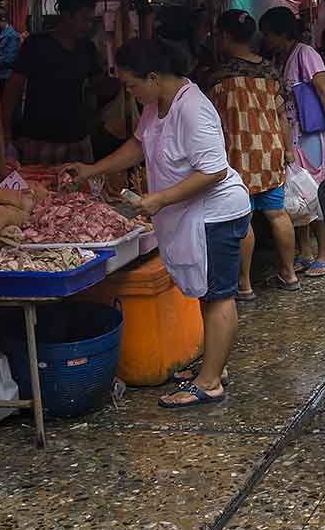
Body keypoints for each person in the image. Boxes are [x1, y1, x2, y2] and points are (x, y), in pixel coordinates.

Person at [66, 38, 253, 409]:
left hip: (215, 213)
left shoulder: (193, 109)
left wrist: (159, 199)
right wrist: (92, 169)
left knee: (218, 297)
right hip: (191, 215)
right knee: (206, 292)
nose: (129, 91)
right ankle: (214, 364)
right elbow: (138, 146)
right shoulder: (156, 105)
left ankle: (211, 381)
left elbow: (213, 170)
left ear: (153, 77)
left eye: (132, 83)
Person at [205, 10, 298, 301]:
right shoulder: (270, 71)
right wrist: (288, 149)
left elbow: (211, 119)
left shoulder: (220, 76)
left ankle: (244, 285)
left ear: (226, 37)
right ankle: (290, 274)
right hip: (270, 152)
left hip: (236, 156)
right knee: (277, 214)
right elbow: (283, 116)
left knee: (242, 220)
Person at [258, 6, 325, 278]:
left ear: (281, 33)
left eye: (268, 34)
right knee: (297, 196)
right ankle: (304, 252)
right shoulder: (281, 58)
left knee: (316, 194)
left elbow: (323, 89)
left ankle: (324, 254)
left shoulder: (306, 54)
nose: (265, 39)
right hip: (291, 136)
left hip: (311, 135)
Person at [4, 0, 103, 165]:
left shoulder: (87, 48)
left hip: (77, 135)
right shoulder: (36, 44)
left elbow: (98, 84)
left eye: (91, 20)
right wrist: (5, 127)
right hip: (40, 136)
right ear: (66, 16)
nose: (88, 26)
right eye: (84, 20)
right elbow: (15, 86)